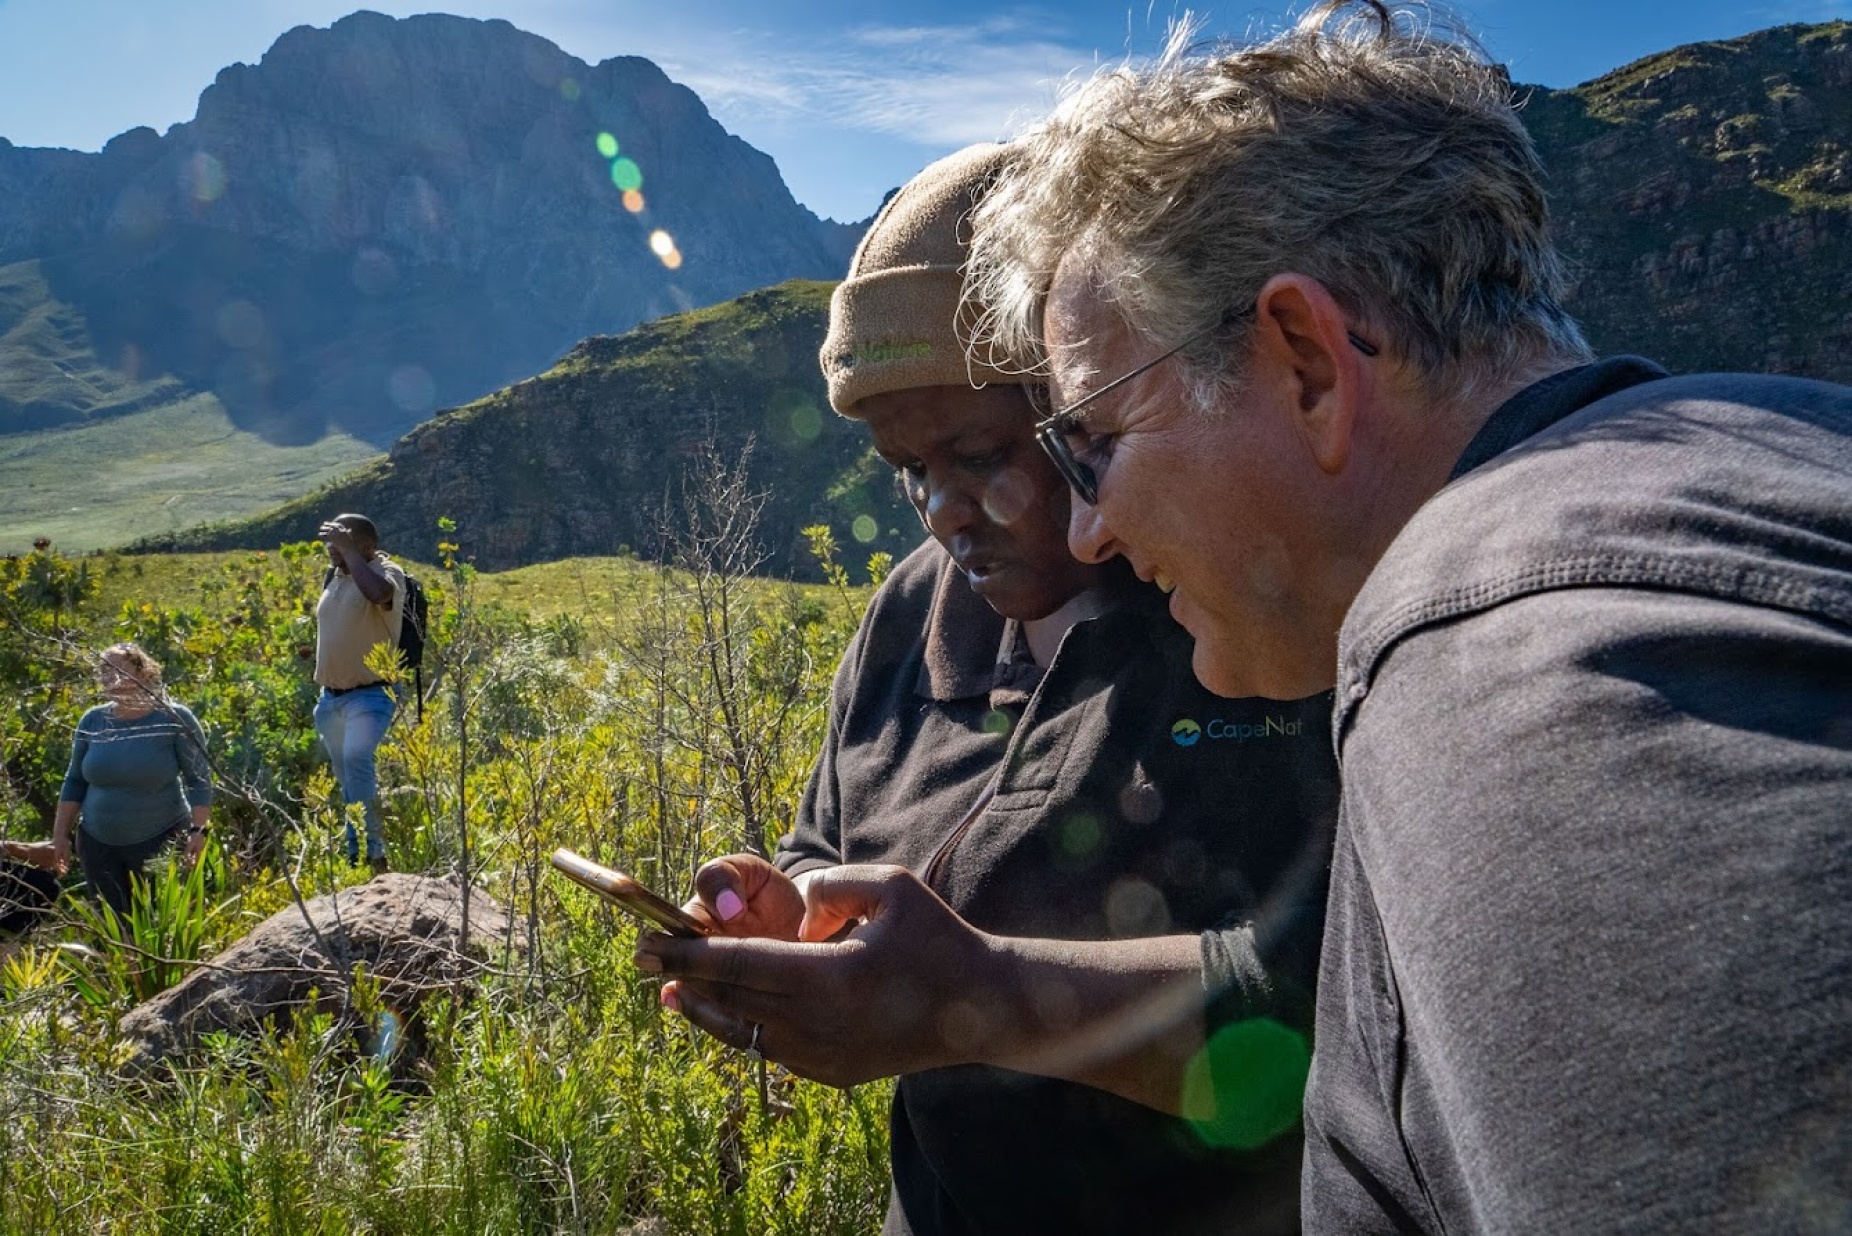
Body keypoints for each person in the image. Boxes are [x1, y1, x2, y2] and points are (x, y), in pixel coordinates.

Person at [963, 2, 1852, 1229]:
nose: (1088, 533)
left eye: (1094, 444)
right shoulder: (1785, 442)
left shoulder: (1521, 678)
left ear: (1309, 364)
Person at [635, 143, 1340, 1235]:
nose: (941, 512)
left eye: (976, 454)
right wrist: (796, 917)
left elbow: (1342, 1023)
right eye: (906, 472)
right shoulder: (915, 611)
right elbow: (825, 841)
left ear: (1086, 401)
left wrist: (977, 1001)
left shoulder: (1247, 612)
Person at [52, 643, 212, 917]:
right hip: (97, 843)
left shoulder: (174, 718)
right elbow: (75, 780)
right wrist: (60, 836)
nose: (107, 677)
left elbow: (199, 780)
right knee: (113, 927)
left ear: (143, 673)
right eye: (103, 670)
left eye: (116, 670)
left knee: (162, 921)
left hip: (161, 840)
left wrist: (198, 830)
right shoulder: (92, 721)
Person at [313, 511, 405, 874]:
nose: (333, 548)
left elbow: (380, 595)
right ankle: (356, 852)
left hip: (371, 694)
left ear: (366, 545)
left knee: (356, 758)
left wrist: (351, 554)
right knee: (346, 776)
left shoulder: (386, 573)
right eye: (332, 542)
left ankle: (373, 852)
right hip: (331, 699)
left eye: (342, 541)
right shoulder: (333, 576)